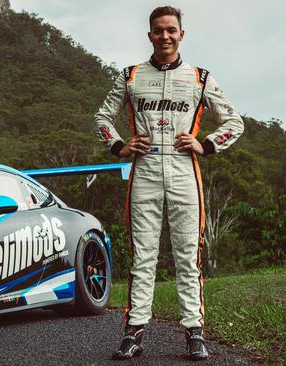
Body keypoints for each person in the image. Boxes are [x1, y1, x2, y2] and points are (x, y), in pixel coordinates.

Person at [93, 6, 244, 361]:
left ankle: (194, 333)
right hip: (143, 171)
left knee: (187, 256)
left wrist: (205, 144)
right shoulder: (130, 76)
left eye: (171, 30)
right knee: (142, 257)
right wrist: (119, 145)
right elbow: (102, 117)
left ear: (181, 34)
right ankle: (134, 332)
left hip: (183, 171)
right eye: (158, 31)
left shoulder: (199, 77)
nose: (165, 36)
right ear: (150, 35)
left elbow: (234, 122)